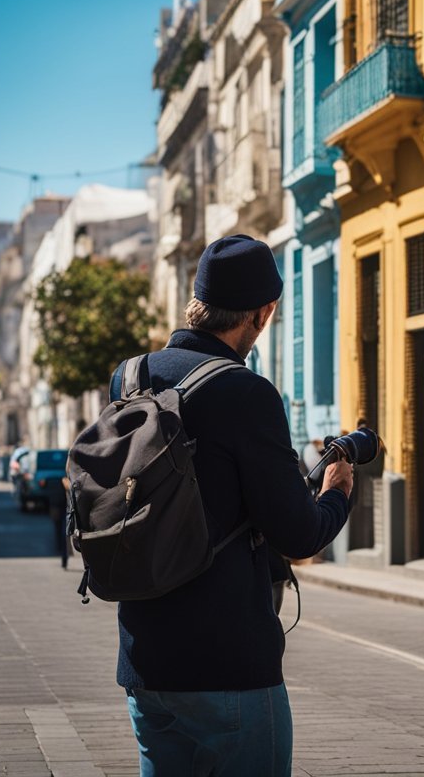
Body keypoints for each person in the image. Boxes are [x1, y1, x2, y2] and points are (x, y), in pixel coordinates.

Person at [107, 235, 353, 776]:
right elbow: (297, 534)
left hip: (145, 662)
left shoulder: (129, 378)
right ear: (262, 315)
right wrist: (336, 491)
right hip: (227, 665)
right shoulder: (247, 393)